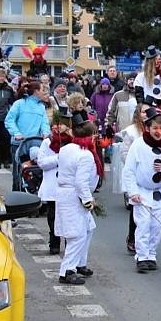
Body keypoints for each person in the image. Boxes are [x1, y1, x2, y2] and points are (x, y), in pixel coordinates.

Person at [122, 108, 161, 272]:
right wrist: (133, 192)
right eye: (155, 128)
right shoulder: (138, 145)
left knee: (156, 227)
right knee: (143, 225)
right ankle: (141, 256)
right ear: (147, 128)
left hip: (159, 193)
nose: (158, 132)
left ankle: (151, 255)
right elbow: (129, 171)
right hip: (142, 192)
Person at [55, 113, 102, 285]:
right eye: (94, 135)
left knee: (89, 228)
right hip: (74, 196)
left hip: (67, 194)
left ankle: (80, 263)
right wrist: (88, 200)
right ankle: (67, 270)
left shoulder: (66, 148)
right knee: (77, 235)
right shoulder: (85, 155)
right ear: (89, 136)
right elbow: (81, 182)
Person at [37, 107, 72, 255]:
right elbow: (42, 162)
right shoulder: (47, 142)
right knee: (52, 216)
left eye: (61, 124)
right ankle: (54, 241)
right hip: (52, 184)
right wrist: (58, 158)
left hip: (67, 185)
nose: (57, 127)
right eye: (55, 124)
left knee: (67, 216)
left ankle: (69, 242)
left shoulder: (72, 142)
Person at [5, 81, 51, 190]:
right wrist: (17, 133)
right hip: (19, 144)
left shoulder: (41, 107)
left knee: (34, 172)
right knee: (18, 172)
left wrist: (45, 133)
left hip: (35, 144)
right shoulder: (20, 104)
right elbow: (9, 120)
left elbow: (44, 123)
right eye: (41, 90)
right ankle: (16, 194)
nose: (43, 93)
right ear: (36, 92)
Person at [116, 103, 147, 254]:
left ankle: (146, 240)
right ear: (138, 114)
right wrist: (135, 165)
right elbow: (124, 152)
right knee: (136, 206)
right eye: (143, 112)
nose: (146, 114)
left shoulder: (156, 129)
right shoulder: (131, 132)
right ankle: (132, 238)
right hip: (136, 174)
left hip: (151, 175)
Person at [104, 74, 138, 139]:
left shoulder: (141, 95)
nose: (132, 81)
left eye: (134, 79)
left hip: (137, 131)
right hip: (122, 131)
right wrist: (108, 125)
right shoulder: (118, 95)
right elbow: (111, 111)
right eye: (130, 79)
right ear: (126, 81)